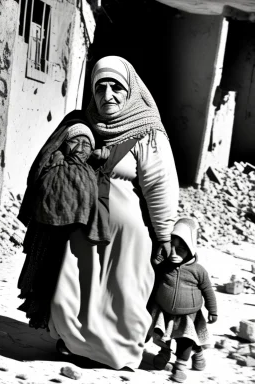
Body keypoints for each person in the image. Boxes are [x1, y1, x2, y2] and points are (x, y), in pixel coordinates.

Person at [45, 55, 179, 370]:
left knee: (123, 293)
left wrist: (164, 234)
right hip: (82, 225)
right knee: (74, 286)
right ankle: (74, 343)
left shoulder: (148, 132)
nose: (108, 95)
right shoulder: (83, 124)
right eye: (100, 87)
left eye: (116, 86)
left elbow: (161, 186)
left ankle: (115, 353)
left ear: (130, 89)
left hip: (126, 236)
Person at [17, 119, 110, 330]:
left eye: (86, 144)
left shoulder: (91, 171)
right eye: (74, 141)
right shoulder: (55, 164)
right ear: (63, 144)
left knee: (65, 282)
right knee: (45, 278)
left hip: (75, 240)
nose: (79, 148)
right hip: (49, 234)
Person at [149, 217, 218, 383]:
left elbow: (208, 290)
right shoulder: (165, 266)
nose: (174, 253)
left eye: (180, 249)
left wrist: (213, 310)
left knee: (185, 340)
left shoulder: (198, 271)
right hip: (165, 313)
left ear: (190, 248)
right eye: (171, 247)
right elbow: (153, 277)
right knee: (163, 334)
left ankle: (181, 365)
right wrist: (157, 260)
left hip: (188, 316)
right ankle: (164, 352)